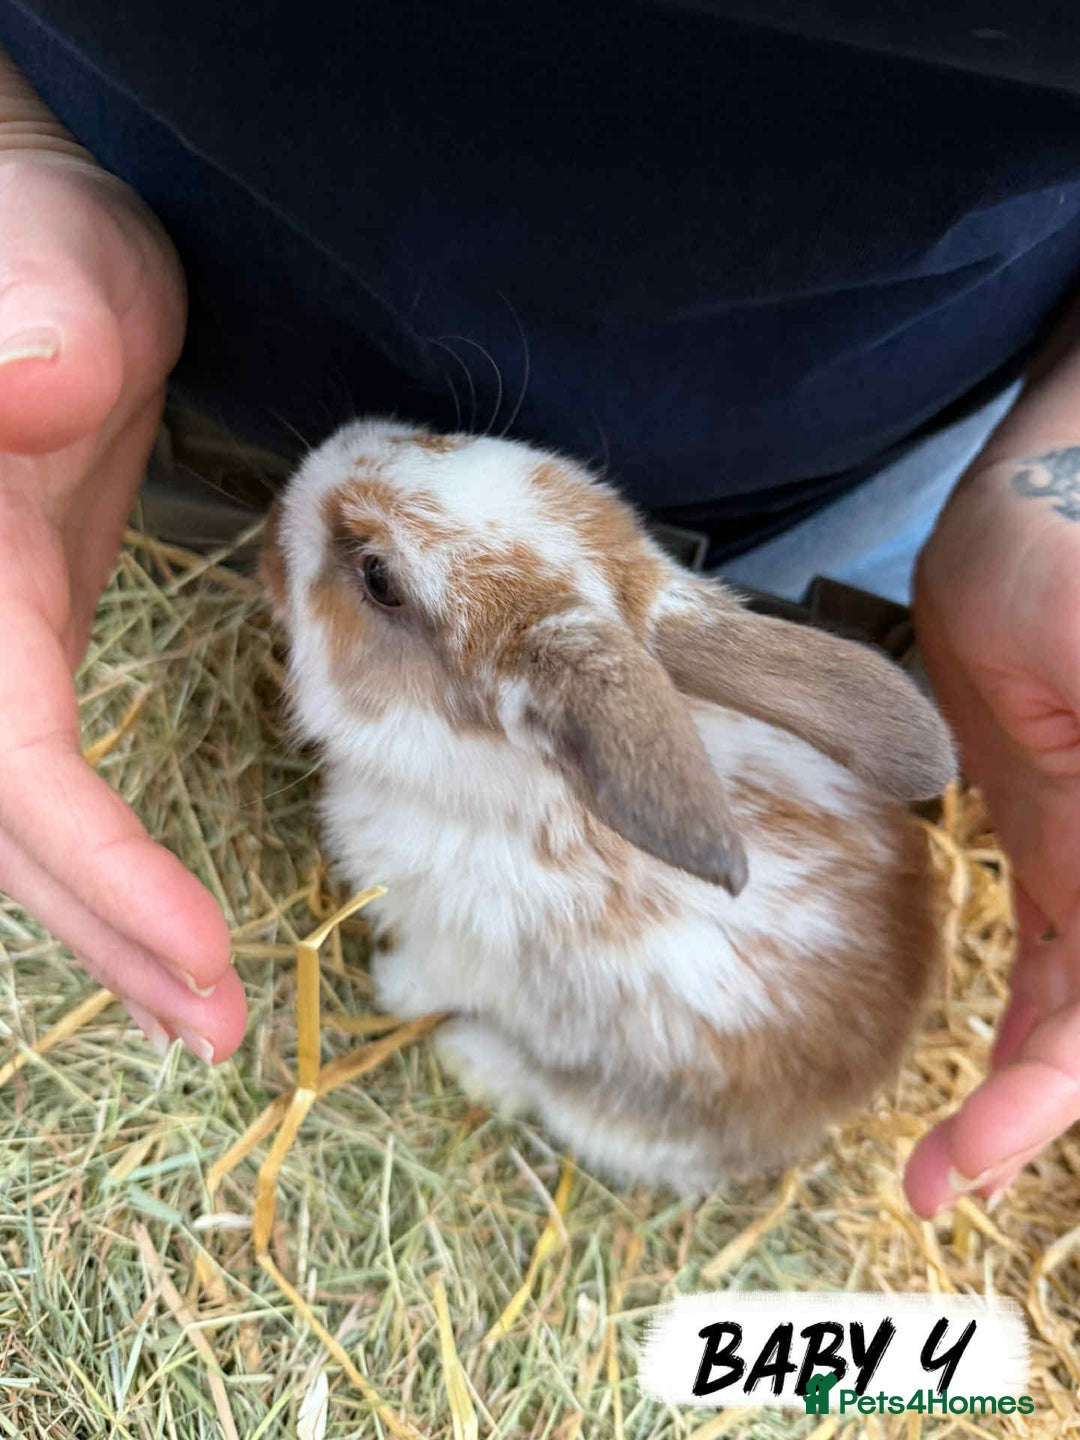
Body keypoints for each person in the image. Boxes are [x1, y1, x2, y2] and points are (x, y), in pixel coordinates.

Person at [1, 3, 1078, 1222]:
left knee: (493, 1010)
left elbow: (459, 945)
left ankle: (533, 1074)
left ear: (521, 721)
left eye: (379, 581)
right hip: (123, 268)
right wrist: (14, 136)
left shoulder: (488, 850)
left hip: (821, 483)